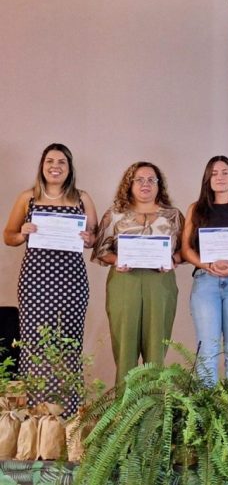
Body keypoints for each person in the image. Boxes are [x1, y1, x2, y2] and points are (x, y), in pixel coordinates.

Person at [3, 144, 98, 416]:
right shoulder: (27, 198)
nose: (55, 166)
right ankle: (36, 416)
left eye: (61, 162)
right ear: (42, 166)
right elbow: (8, 236)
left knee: (68, 343)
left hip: (72, 281)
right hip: (36, 281)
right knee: (36, 344)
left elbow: (94, 237)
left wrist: (89, 238)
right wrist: (22, 233)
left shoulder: (82, 198)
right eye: (49, 161)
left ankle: (67, 416)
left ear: (69, 168)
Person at [92, 161, 184, 386]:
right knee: (125, 351)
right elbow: (101, 251)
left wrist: (172, 260)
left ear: (159, 185)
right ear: (129, 184)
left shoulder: (173, 215)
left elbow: (186, 249)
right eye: (139, 179)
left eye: (151, 180)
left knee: (156, 352)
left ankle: (154, 417)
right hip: (125, 283)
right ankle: (125, 416)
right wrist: (118, 260)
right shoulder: (115, 215)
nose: (146, 184)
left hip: (160, 284)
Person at [181, 156, 228, 384]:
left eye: (225, 172)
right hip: (206, 282)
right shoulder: (196, 208)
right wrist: (207, 266)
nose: (220, 177)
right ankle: (209, 415)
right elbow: (186, 250)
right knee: (208, 351)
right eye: (214, 173)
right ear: (207, 178)